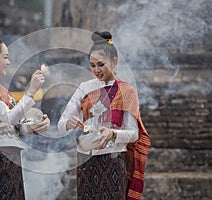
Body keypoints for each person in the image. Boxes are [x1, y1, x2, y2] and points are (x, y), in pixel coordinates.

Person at [58, 31, 150, 200]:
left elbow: (134, 134)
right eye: (92, 65)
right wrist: (69, 123)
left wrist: (113, 133)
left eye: (101, 64)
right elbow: (61, 124)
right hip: (86, 159)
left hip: (114, 159)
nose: (96, 70)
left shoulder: (127, 91)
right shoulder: (85, 87)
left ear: (114, 62)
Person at [0, 27, 50, 199]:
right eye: (5, 57)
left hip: (9, 154)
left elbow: (11, 124)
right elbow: (9, 117)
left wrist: (36, 126)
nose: (8, 62)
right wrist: (31, 91)